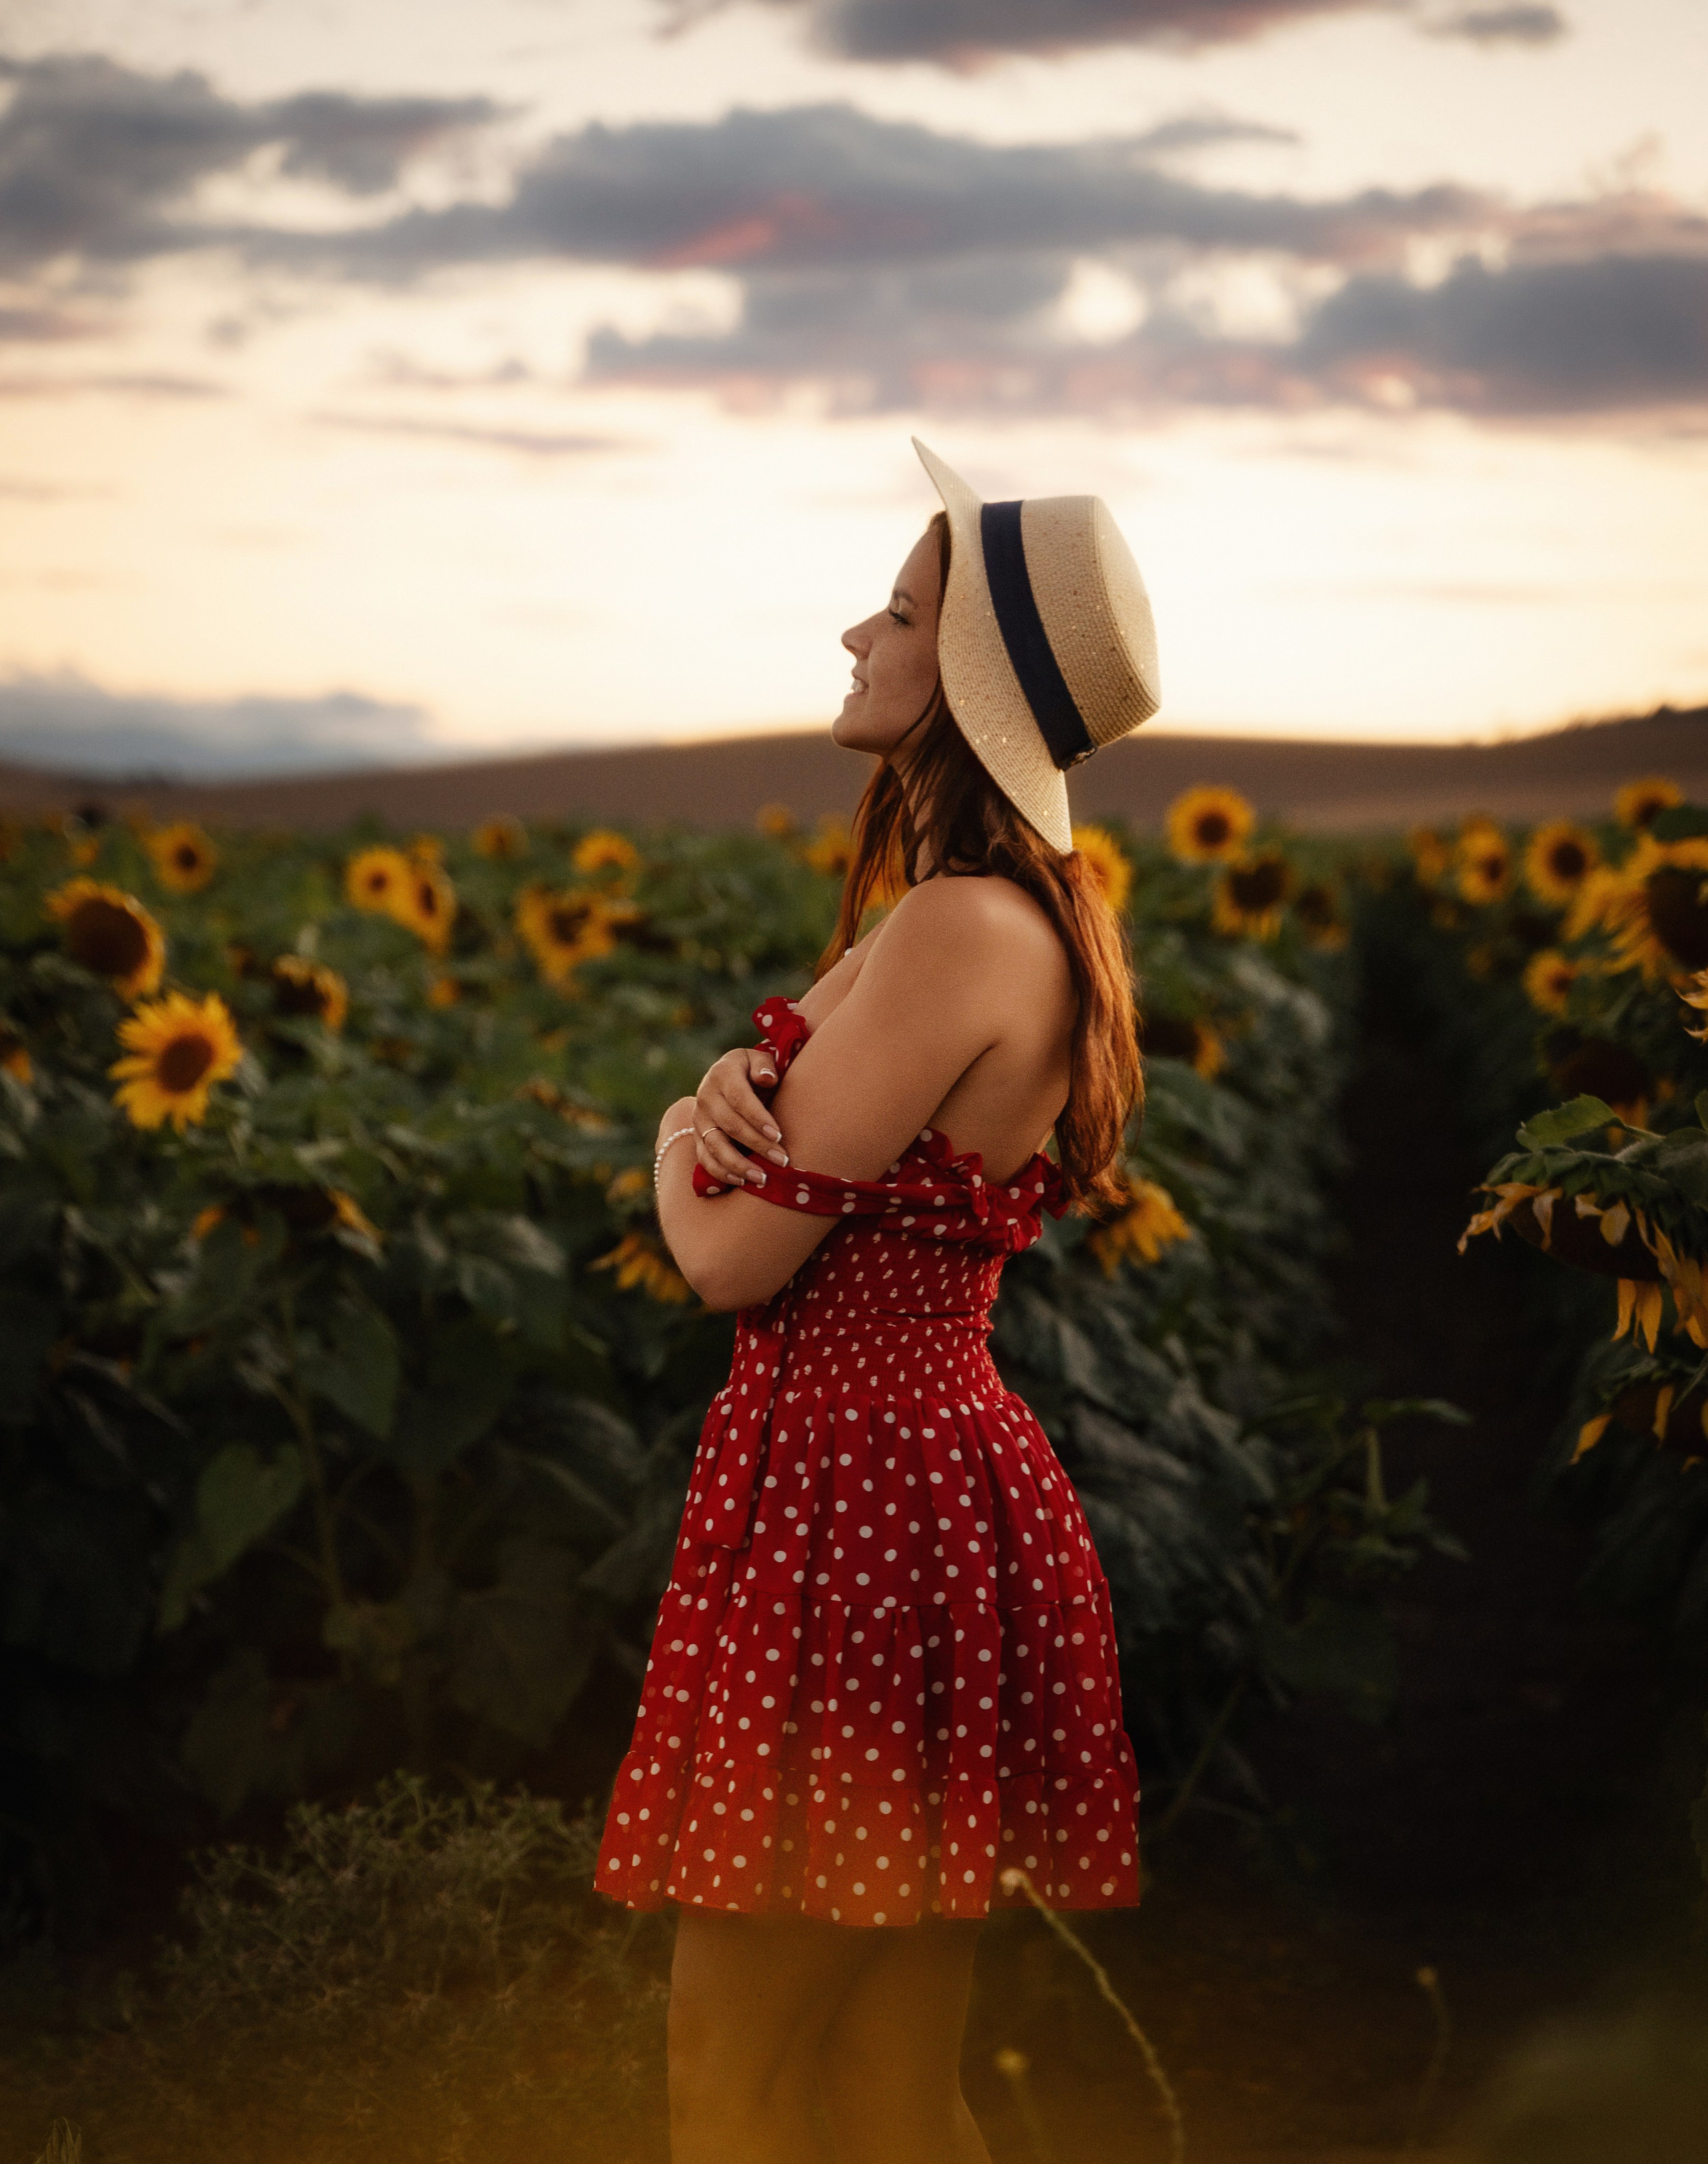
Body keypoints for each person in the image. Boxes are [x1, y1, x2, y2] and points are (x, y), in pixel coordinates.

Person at [596, 438, 1164, 2164]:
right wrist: (707, 1098)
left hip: (861, 1508)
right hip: (906, 1491)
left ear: (967, 679)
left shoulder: (955, 933)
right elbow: (750, 1105)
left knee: (736, 2080)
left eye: (902, 612)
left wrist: (674, 1134)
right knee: (880, 2092)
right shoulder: (971, 915)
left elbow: (728, 1253)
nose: (858, 631)